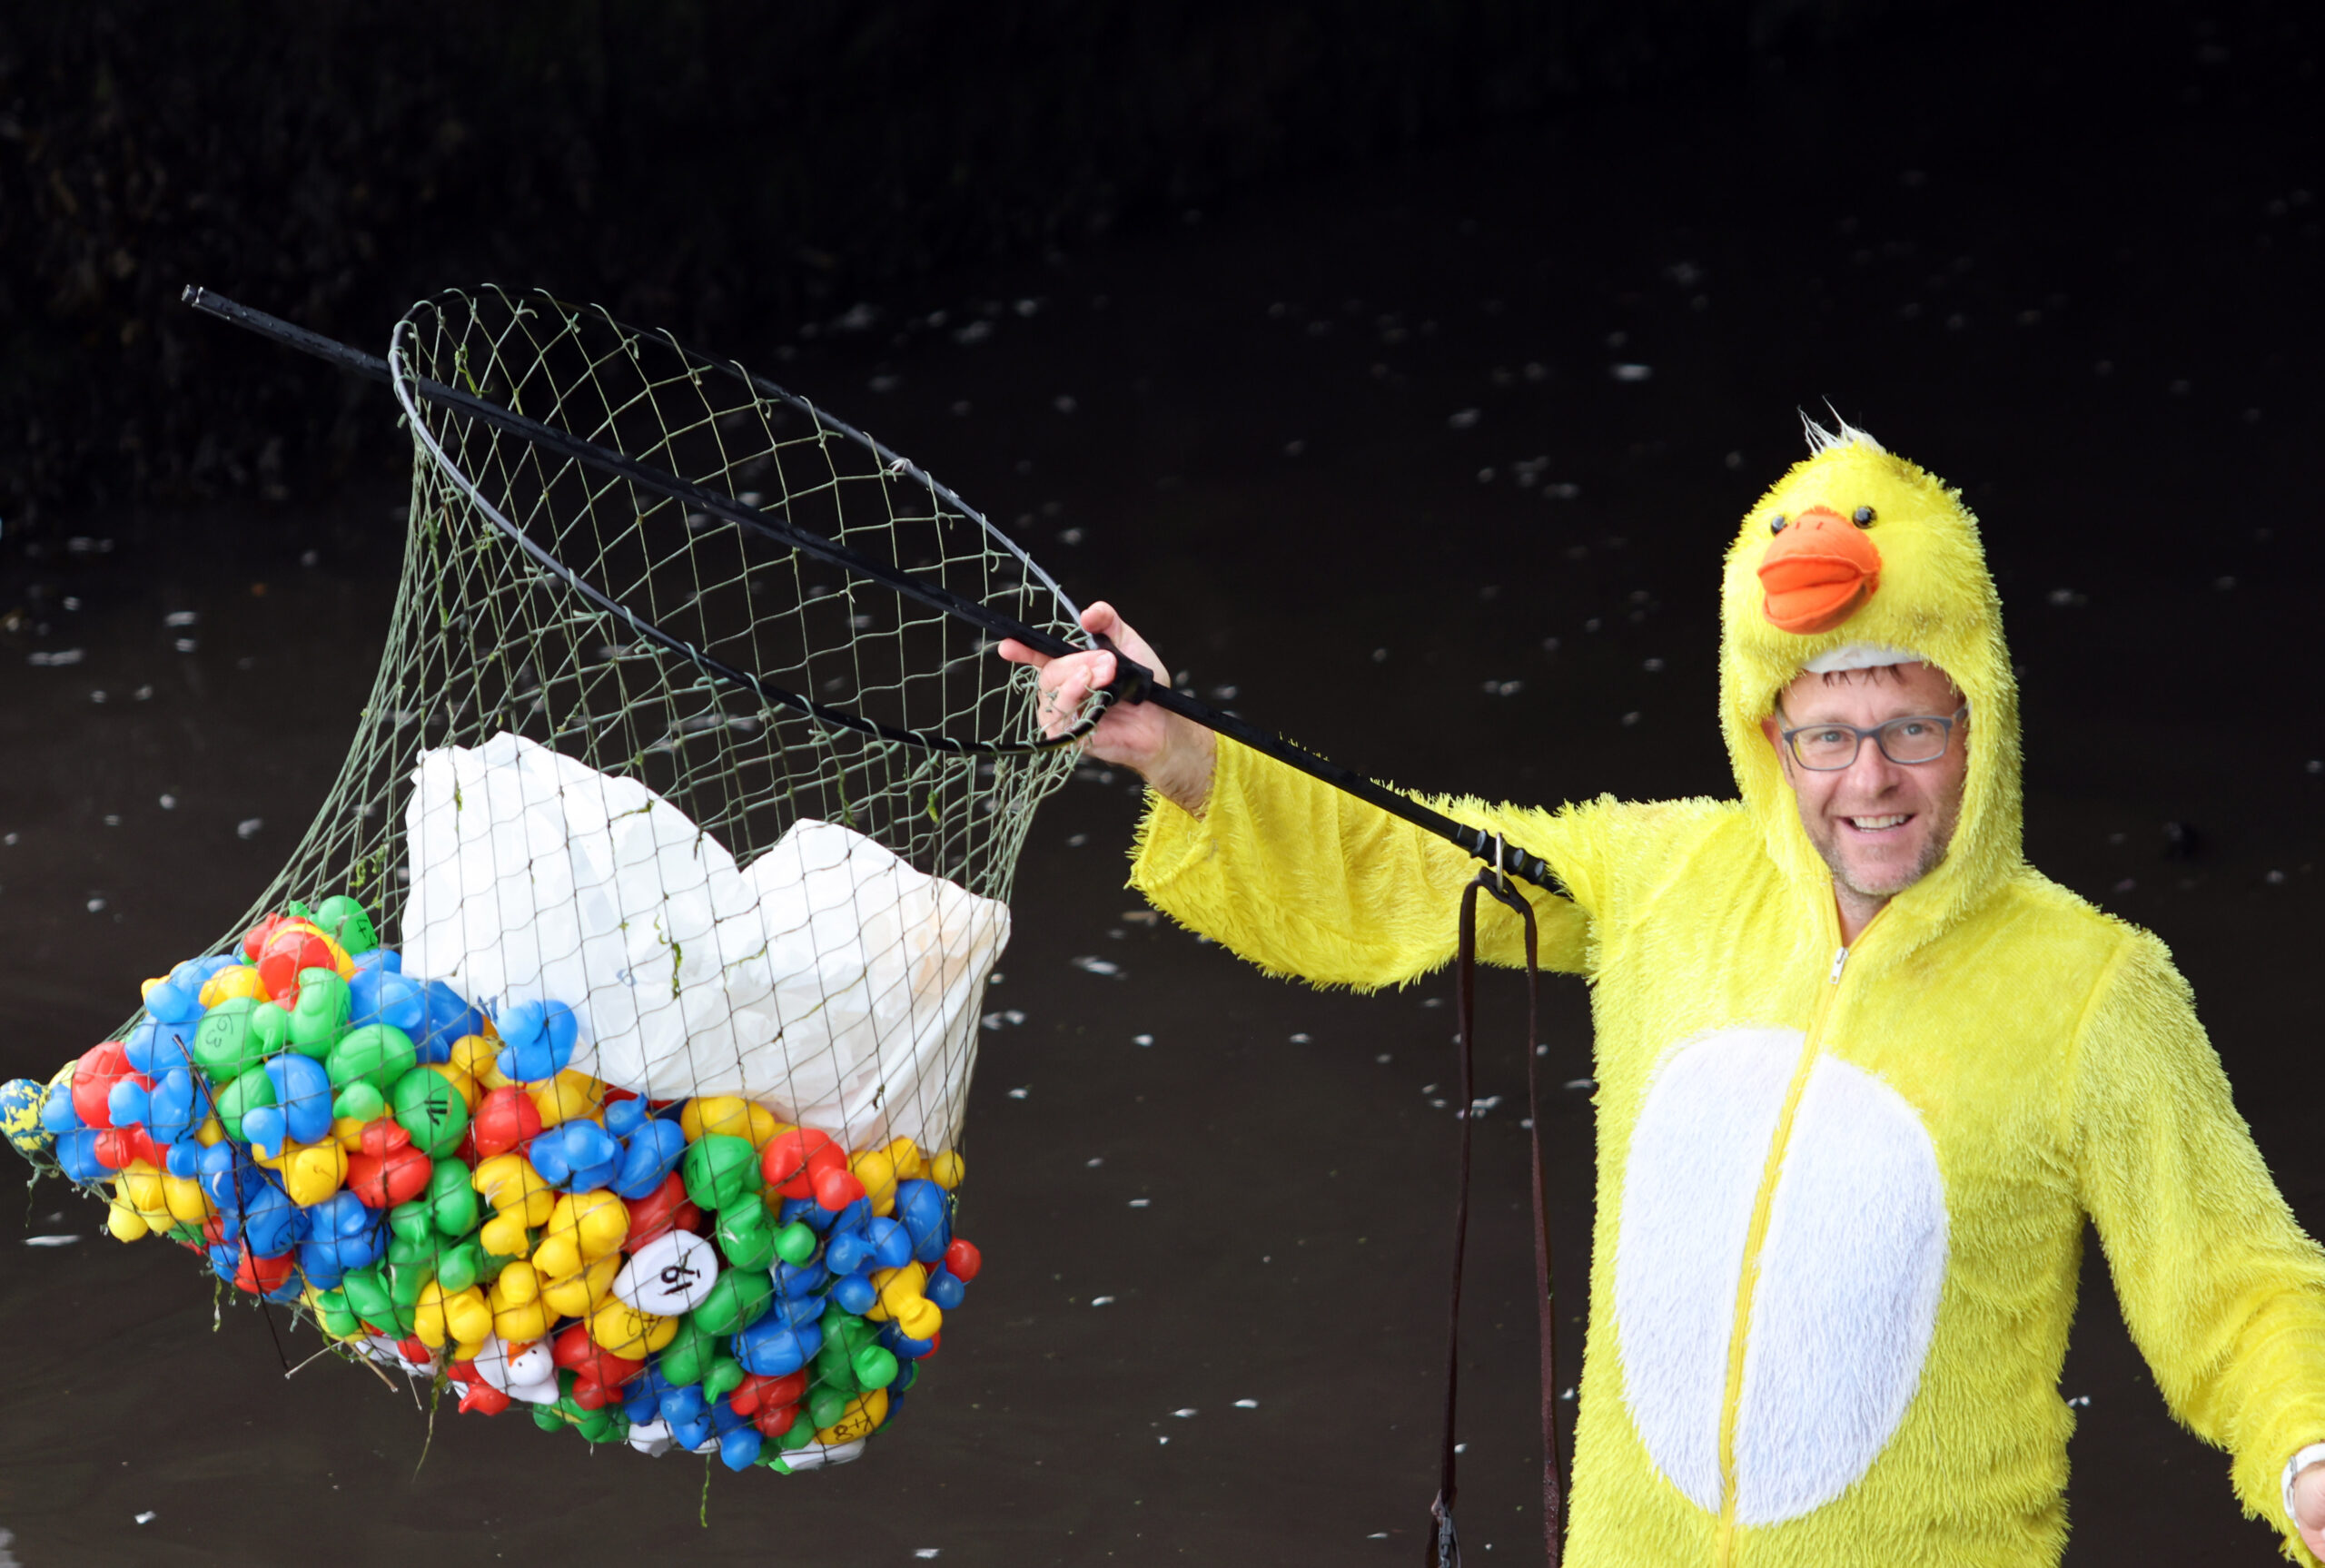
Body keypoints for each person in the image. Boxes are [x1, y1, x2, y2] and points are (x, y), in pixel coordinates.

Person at [999, 420, 2325, 1567]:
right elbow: (1411, 859)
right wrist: (1179, 751)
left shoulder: (2098, 990)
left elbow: (2243, 1291)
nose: (1870, 780)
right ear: (1768, 736)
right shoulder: (1664, 878)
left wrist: (2311, 1448)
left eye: (1914, 725)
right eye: (1826, 733)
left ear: (1982, 721)